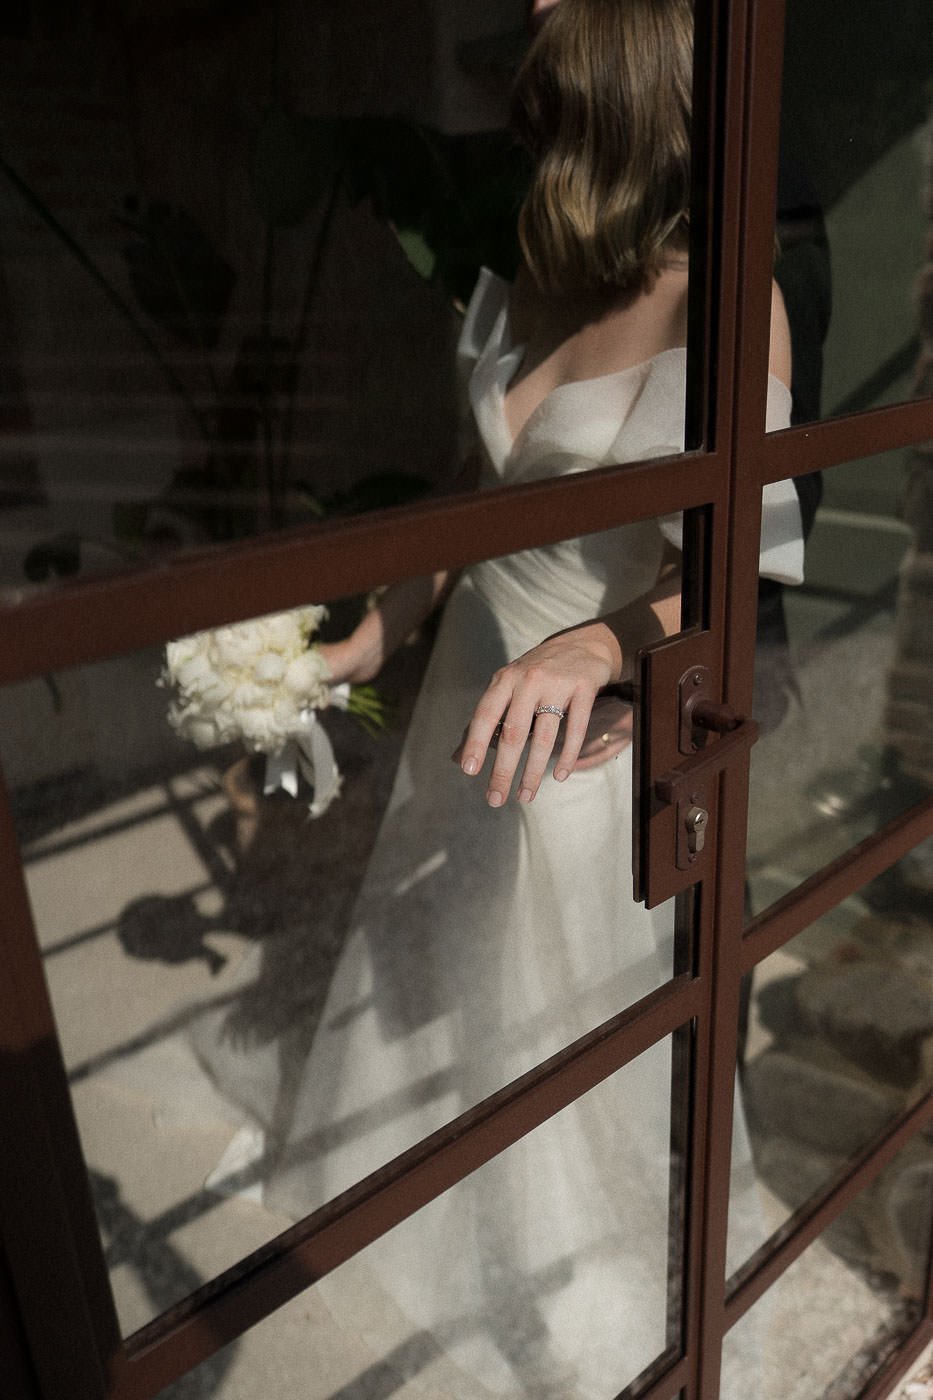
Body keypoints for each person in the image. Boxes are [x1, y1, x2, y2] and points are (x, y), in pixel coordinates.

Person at [258, 1, 804, 1394]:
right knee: (449, 976)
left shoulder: (723, 298)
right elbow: (474, 496)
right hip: (469, 687)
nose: (510, 117)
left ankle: (574, 1299)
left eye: (539, 95)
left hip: (579, 739)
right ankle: (436, 1221)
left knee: (559, 1027)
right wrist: (367, 639)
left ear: (607, 109)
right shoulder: (516, 278)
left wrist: (598, 649)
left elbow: (732, 571)